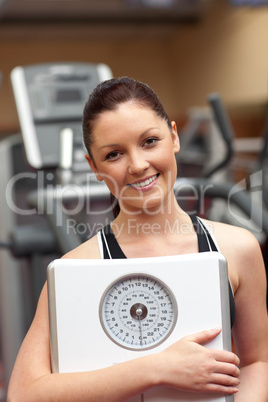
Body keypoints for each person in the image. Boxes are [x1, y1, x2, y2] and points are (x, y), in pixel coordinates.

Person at [7, 77, 268, 402]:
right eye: (114, 154)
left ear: (173, 136)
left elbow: (257, 361)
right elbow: (23, 393)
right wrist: (157, 368)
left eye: (149, 141)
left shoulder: (238, 248)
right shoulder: (73, 270)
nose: (138, 165)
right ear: (94, 167)